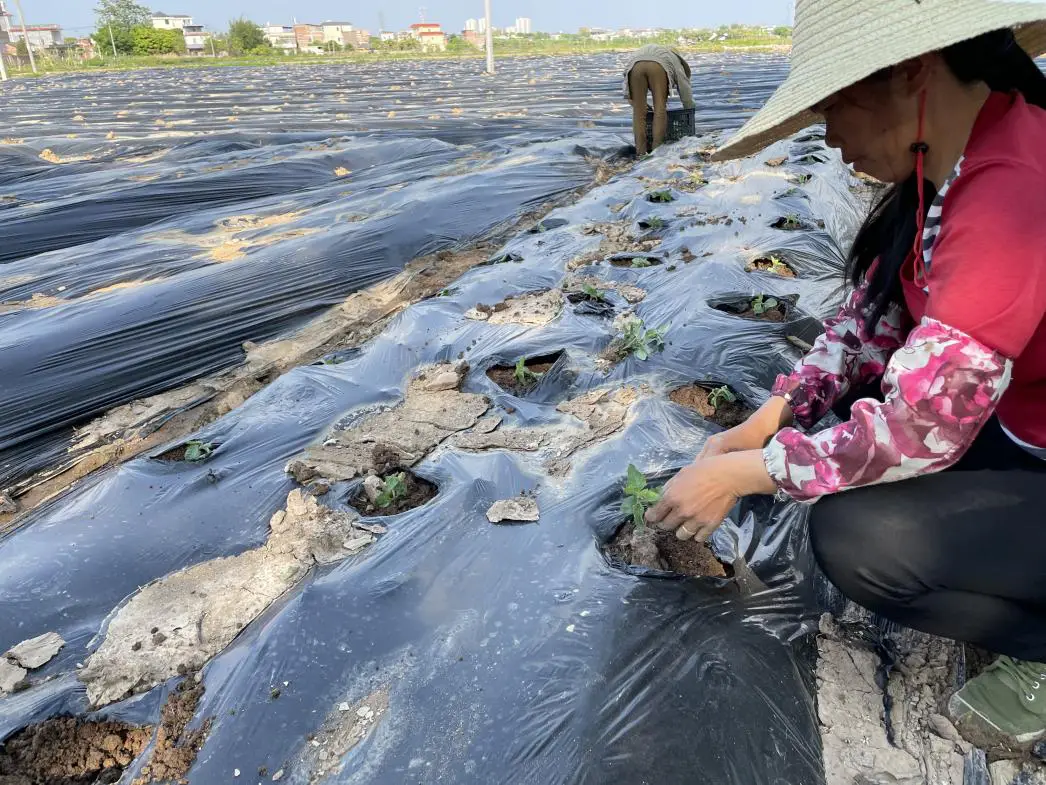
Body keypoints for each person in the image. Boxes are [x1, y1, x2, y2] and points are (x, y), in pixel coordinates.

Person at [645, 0, 1046, 750]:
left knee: (861, 539)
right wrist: (773, 416)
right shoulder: (949, 168)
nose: (828, 136)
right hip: (1027, 433)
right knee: (852, 420)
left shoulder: (1013, 189)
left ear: (912, 72)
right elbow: (870, 325)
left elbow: (921, 430)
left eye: (834, 106)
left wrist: (740, 475)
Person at [622, 44, 695, 156]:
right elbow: (684, 86)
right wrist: (689, 108)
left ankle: (640, 152)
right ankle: (656, 153)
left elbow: (630, 94)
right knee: (660, 109)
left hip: (635, 66)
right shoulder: (674, 58)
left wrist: (641, 105)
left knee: (638, 112)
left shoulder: (646, 51)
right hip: (658, 66)